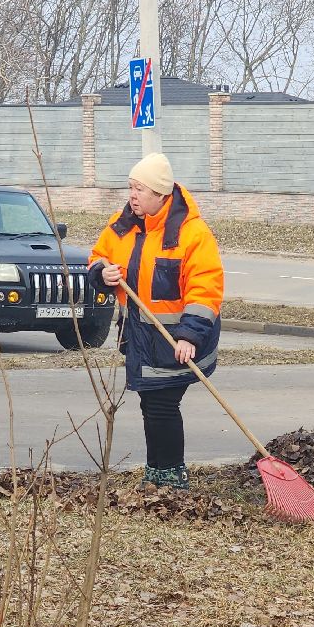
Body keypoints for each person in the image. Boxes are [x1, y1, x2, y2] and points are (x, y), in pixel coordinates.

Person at [87, 153, 225, 489]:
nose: (131, 195)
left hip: (176, 339)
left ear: (160, 196)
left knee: (162, 403)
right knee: (151, 402)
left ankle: (170, 476)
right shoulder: (122, 225)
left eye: (139, 189)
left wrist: (190, 335)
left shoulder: (191, 233)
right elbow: (97, 257)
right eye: (131, 187)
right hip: (139, 336)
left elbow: (205, 288)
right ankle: (158, 473)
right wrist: (101, 274)